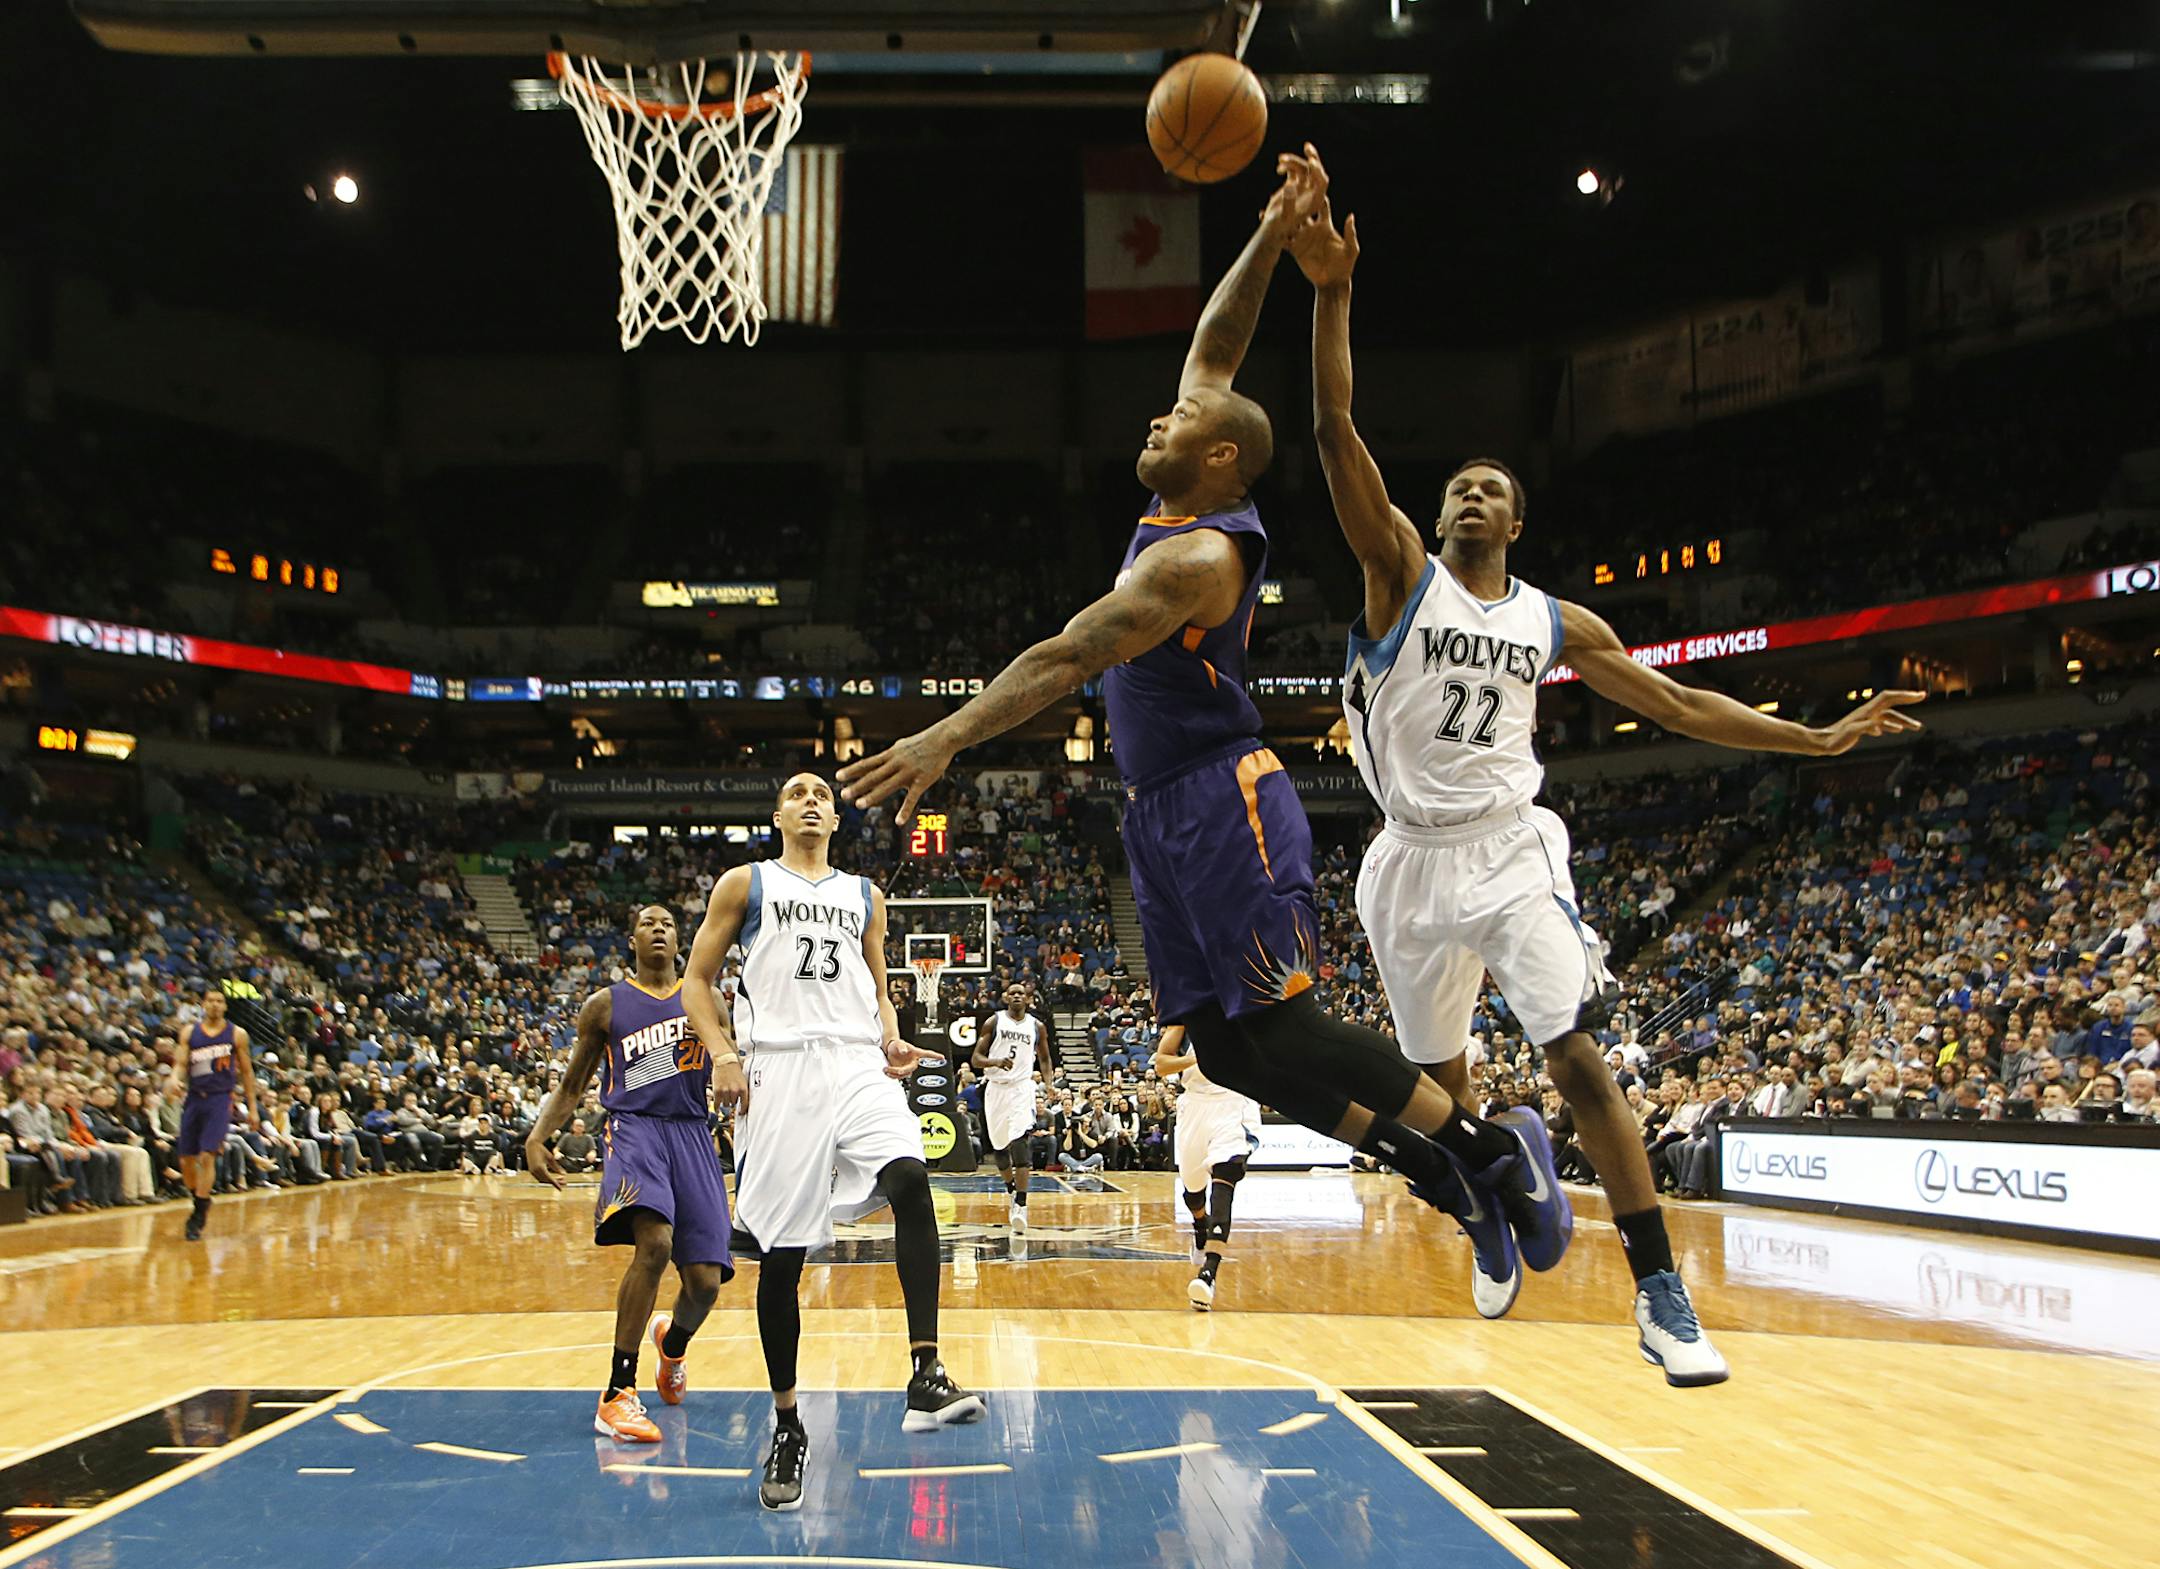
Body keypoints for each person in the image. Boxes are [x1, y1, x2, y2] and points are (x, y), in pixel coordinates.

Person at [838, 155, 1572, 1342]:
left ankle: (1488, 1147)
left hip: (1224, 797)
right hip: (1158, 813)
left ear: (1222, 457)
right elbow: (1215, 352)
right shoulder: (1179, 497)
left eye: (1180, 422)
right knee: (1230, 1053)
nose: (1160, 414)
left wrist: (943, 738)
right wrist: (1276, 235)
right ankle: (1447, 1176)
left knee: (1277, 1026)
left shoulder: (1199, 559)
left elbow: (1067, 656)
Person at [1281, 145, 1924, 1385]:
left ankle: (1660, 1292)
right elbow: (1331, 427)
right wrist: (1332, 291)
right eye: (1457, 483)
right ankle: (1484, 1201)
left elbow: (1678, 699)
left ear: (1516, 522)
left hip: (1511, 848)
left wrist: (1815, 735)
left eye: (1492, 486)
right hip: (1404, 865)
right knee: (1441, 1091)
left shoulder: (1554, 621)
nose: (1470, 492)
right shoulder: (1395, 575)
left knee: (1574, 1053)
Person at [680, 774, 983, 1514]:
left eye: (823, 791)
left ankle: (925, 1370)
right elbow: (696, 979)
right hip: (779, 1068)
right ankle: (788, 1423)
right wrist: (721, 1049)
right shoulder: (745, 883)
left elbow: (878, 984)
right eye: (797, 791)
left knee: (912, 1178)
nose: (812, 798)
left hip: (855, 1060)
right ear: (780, 814)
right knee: (781, 1260)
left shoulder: (865, 894)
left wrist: (889, 1033)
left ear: (837, 816)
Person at [526, 905, 741, 1446]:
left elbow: (738, 1069)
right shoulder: (606, 1005)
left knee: (706, 1286)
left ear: (681, 939)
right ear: (632, 940)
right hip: (635, 1128)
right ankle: (618, 1393)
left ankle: (672, 1345)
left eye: (668, 923)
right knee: (654, 1245)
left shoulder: (709, 999)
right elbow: (574, 1085)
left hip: (694, 1133)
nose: (660, 929)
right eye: (649, 923)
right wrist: (536, 1137)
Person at [1153, 1024, 1261, 1311]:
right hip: (1195, 1106)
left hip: (1234, 1102)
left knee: (1226, 1172)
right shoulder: (1187, 1018)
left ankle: (1208, 1274)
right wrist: (1198, 1060)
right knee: (1192, 1192)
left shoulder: (1251, 1008)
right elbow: (1161, 1064)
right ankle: (1200, 1225)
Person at [176, 986, 263, 1241]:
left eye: (219, 1001)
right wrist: (173, 1080)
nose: (214, 1004)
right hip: (194, 1098)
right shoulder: (189, 1032)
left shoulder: (236, 1034)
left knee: (207, 1156)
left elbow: (247, 1073)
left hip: (219, 1099)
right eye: (210, 1000)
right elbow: (180, 1065)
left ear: (225, 1006)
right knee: (185, 1160)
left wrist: (253, 1108)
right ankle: (200, 1198)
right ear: (203, 1004)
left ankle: (199, 1214)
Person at [971, 981, 1050, 1236]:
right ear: (1006, 997)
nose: (1017, 996)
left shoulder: (1037, 1026)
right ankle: (1011, 1188)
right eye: (1012, 993)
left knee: (1019, 1140)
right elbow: (976, 1059)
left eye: (1021, 993)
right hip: (995, 1087)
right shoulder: (993, 1022)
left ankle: (1022, 1204)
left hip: (1021, 1087)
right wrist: (996, 1061)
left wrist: (1048, 1085)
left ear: (1027, 998)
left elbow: (1046, 1058)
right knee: (999, 1149)